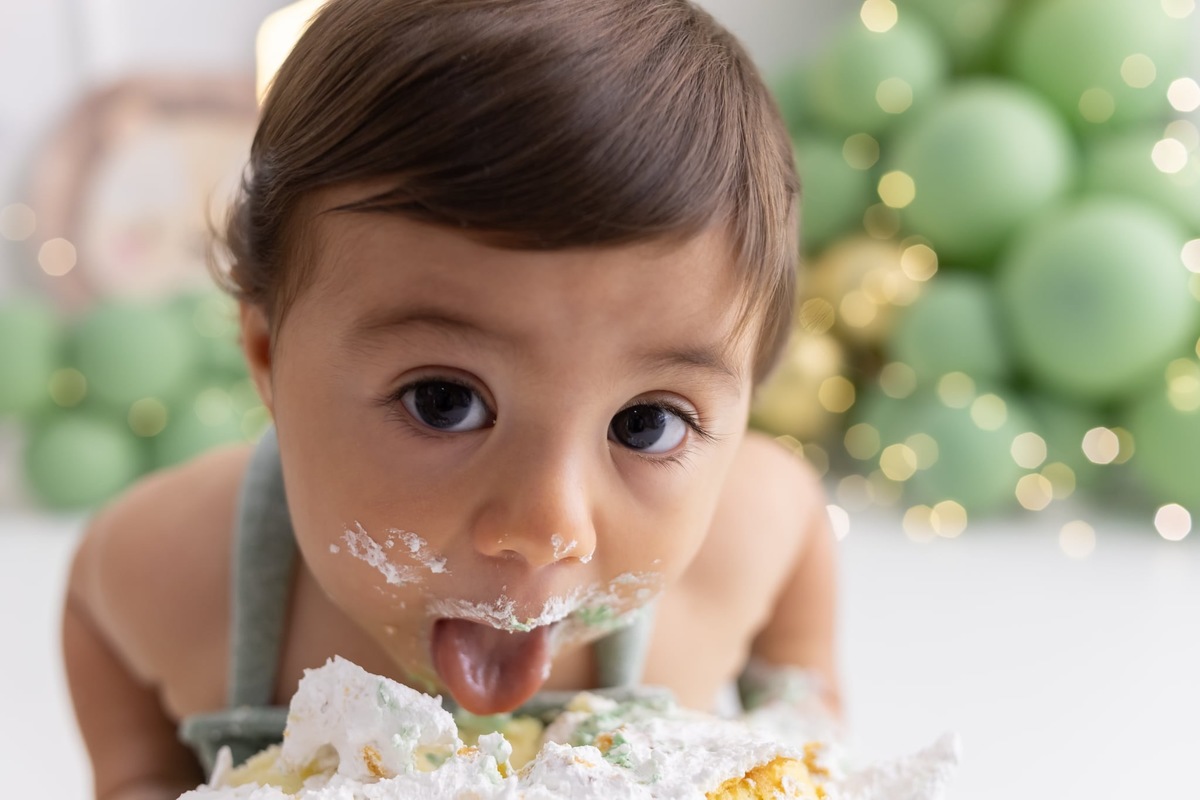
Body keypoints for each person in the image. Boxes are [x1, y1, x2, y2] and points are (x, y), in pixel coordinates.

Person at [62, 1, 840, 797]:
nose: (547, 528)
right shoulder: (185, 572)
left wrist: (800, 706)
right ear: (268, 357)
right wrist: (137, 776)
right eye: (443, 401)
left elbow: (798, 521)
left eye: (646, 424)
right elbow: (96, 601)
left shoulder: (732, 548)